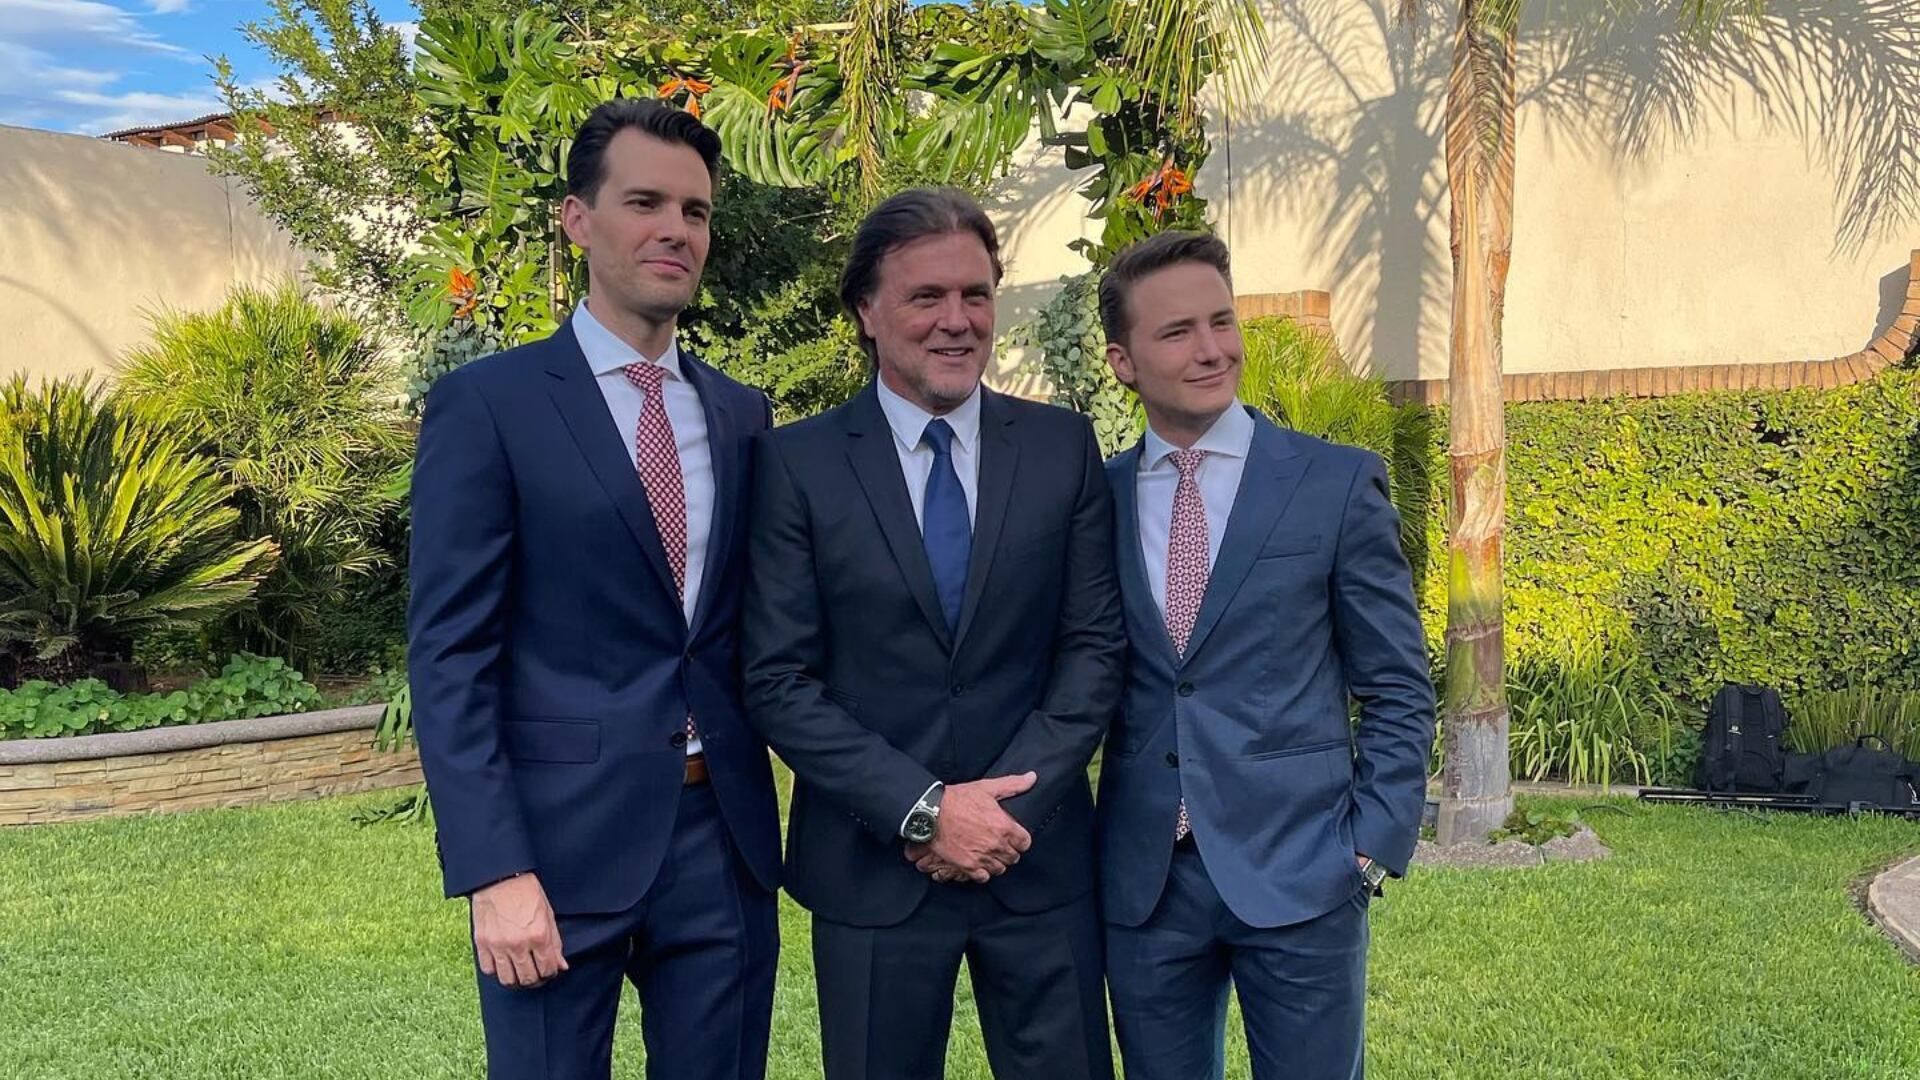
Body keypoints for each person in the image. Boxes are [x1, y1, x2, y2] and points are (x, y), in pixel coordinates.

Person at [407, 98, 781, 1080]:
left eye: (695, 212)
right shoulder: (489, 406)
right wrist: (494, 868)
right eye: (644, 203)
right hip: (554, 851)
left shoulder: (741, 416)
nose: (675, 230)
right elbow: (449, 656)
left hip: (723, 845)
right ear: (578, 219)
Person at [741, 187, 1126, 1080]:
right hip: (873, 868)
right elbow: (778, 679)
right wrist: (923, 811)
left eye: (975, 295)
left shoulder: (1062, 448)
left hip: (1037, 861)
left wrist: (1003, 815)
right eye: (926, 297)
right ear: (867, 311)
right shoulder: (796, 465)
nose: (958, 321)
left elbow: (1093, 651)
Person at [1093, 230, 1434, 1080]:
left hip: (1305, 872)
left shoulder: (1335, 484)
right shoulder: (1094, 498)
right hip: (1145, 885)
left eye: (1222, 321)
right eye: (1177, 332)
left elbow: (1397, 683)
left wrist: (1371, 845)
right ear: (1122, 362)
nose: (1212, 349)